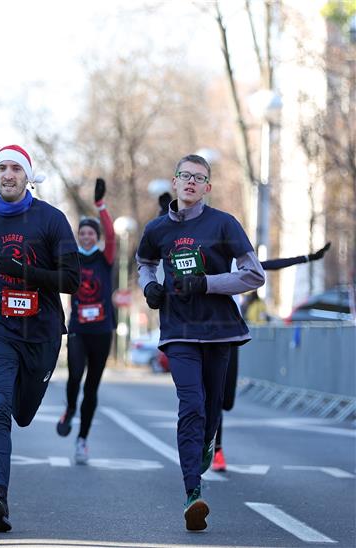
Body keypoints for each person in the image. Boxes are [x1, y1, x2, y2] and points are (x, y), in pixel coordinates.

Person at [136, 154, 265, 531]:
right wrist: (150, 287)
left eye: (199, 178)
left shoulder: (224, 224)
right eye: (184, 176)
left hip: (219, 329)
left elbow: (253, 274)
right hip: (178, 329)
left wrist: (207, 283)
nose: (191, 182)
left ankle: (208, 443)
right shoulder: (157, 229)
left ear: (207, 187)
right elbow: (143, 262)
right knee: (190, 403)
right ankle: (193, 492)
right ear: (174, 183)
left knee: (210, 407)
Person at [0, 145, 79, 532]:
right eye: (2, 169)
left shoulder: (51, 219)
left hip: (41, 334)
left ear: (27, 176)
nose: (8, 175)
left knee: (22, 414)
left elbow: (72, 280)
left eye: (15, 169)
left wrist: (26, 272)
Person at [211, 241, 331, 472]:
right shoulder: (207, 264)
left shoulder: (237, 264)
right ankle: (216, 451)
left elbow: (271, 265)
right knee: (213, 398)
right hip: (207, 335)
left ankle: (211, 442)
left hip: (230, 335)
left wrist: (307, 258)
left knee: (226, 400)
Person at [55, 178, 116, 465]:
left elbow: (113, 236)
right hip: (78, 329)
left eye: (91, 233)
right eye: (83, 233)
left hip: (102, 331)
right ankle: (69, 409)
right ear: (79, 236)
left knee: (92, 387)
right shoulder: (73, 258)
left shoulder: (105, 259)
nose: (87, 237)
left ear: (96, 236)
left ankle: (82, 439)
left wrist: (101, 207)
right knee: (75, 376)